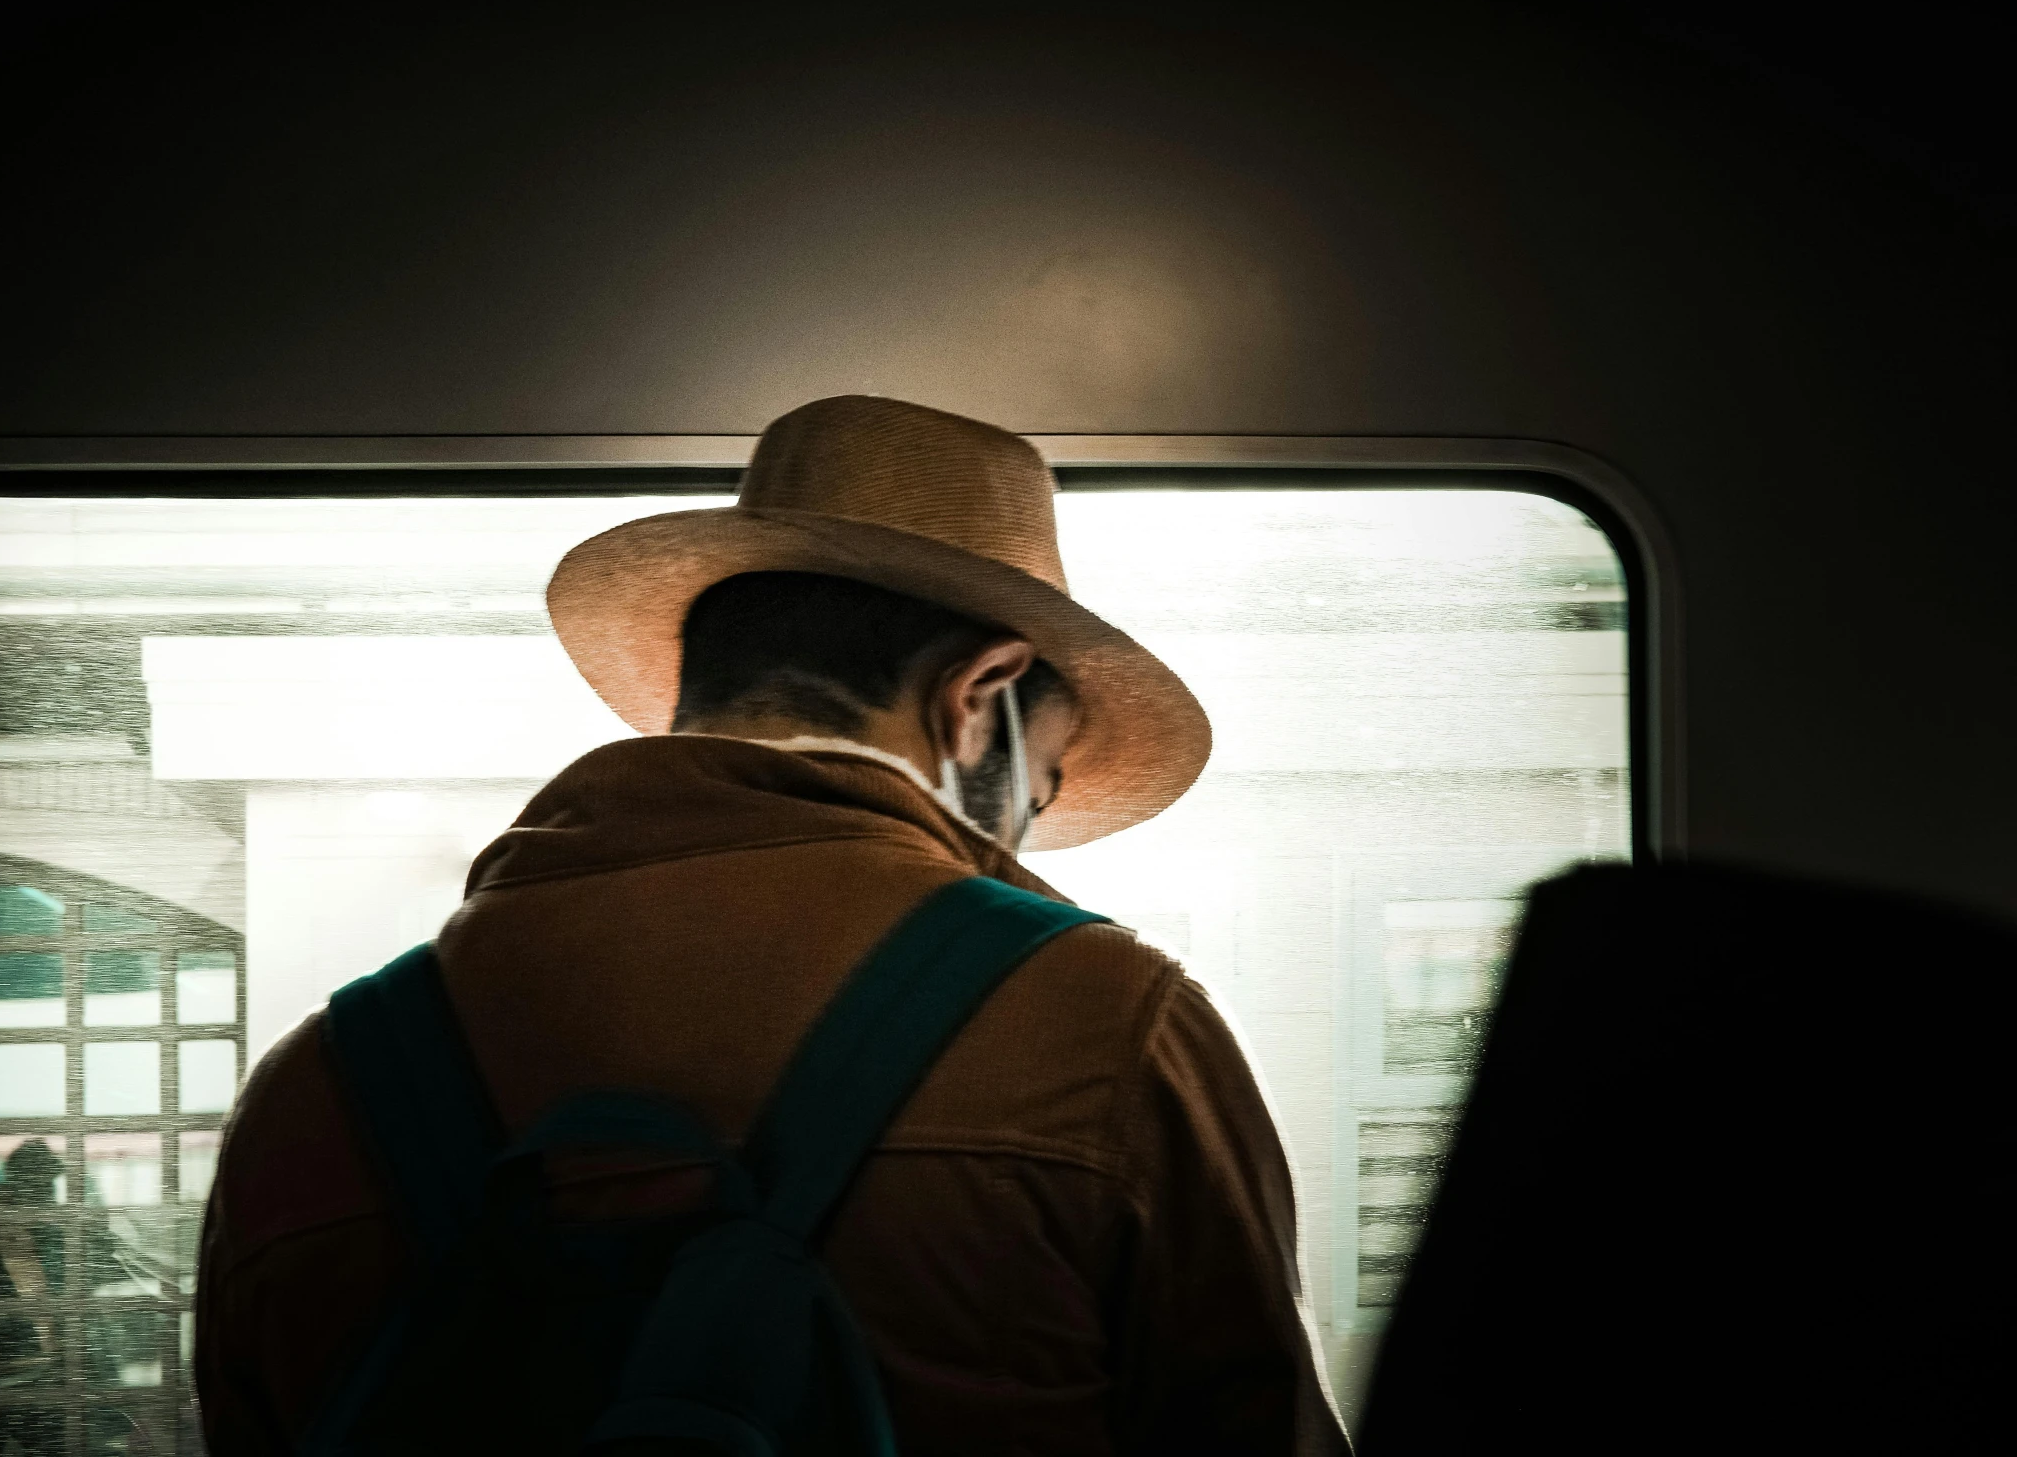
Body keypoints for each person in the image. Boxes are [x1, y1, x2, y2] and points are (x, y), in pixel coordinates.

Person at [195, 396, 1348, 1455]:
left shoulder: (318, 1084)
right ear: (974, 694)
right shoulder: (1105, 1031)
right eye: (1039, 787)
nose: (1019, 845)